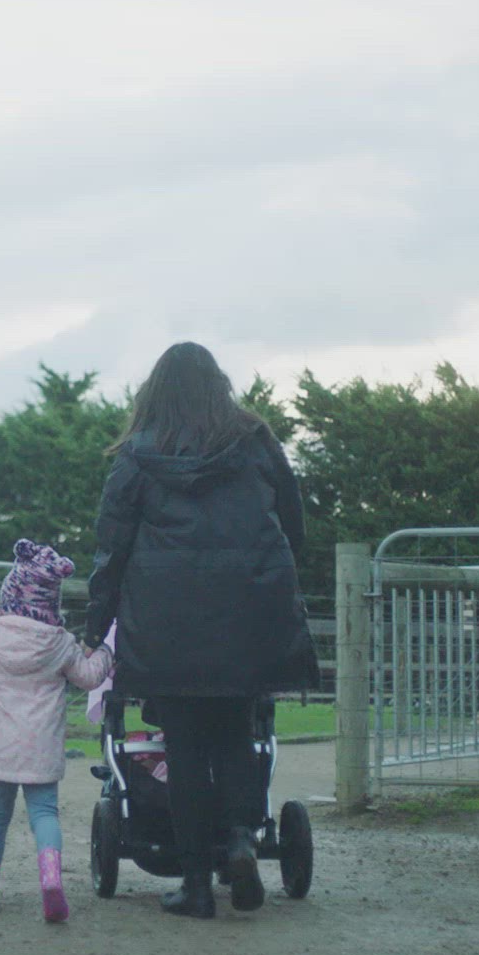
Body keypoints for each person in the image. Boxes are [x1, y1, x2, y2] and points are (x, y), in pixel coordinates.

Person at [82, 342, 315, 919]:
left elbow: (111, 550)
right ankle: (239, 840)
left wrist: (96, 627)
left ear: (155, 392)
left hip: (166, 625)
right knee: (235, 732)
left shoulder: (137, 456)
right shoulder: (255, 442)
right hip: (246, 616)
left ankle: (195, 884)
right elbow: (293, 525)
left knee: (183, 747)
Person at [0, 540, 111, 922]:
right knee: (44, 812)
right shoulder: (60, 643)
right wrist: (107, 652)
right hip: (40, 745)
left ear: (11, 592)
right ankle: (51, 879)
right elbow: (89, 676)